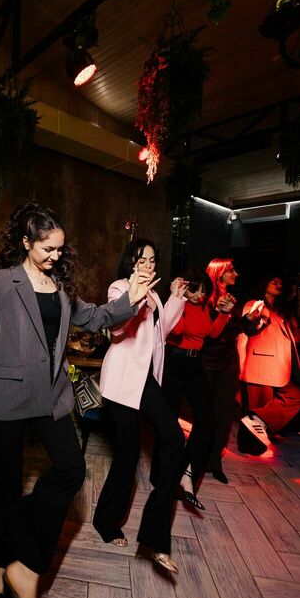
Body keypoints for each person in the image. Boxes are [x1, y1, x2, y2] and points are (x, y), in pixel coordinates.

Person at [0, 202, 157, 598]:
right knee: (6, 485)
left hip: (50, 396)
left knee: (71, 469)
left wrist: (130, 298)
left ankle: (20, 552)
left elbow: (95, 318)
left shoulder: (61, 286)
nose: (56, 255)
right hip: (7, 396)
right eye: (48, 248)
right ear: (26, 243)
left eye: (60, 249)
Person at [93, 238, 187, 574]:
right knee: (128, 454)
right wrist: (135, 298)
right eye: (140, 260)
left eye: (151, 260)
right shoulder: (119, 288)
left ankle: (154, 534)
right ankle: (106, 521)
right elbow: (117, 331)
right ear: (130, 263)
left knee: (174, 439)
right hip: (121, 383)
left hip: (145, 381)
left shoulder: (156, 294)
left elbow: (162, 333)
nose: (147, 265)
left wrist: (175, 297)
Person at [161, 266, 234, 509]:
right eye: (196, 290)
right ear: (186, 287)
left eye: (204, 291)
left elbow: (210, 333)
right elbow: (177, 330)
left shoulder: (203, 306)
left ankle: (187, 471)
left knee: (206, 420)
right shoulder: (177, 304)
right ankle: (164, 477)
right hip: (173, 362)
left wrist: (222, 313)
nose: (200, 295)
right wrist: (178, 299)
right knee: (169, 422)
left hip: (194, 364)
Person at [238, 275, 300, 453]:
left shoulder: (283, 311)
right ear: (264, 284)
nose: (278, 284)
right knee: (255, 411)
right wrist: (254, 319)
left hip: (281, 368)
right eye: (274, 281)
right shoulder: (255, 304)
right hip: (260, 365)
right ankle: (249, 448)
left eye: (281, 282)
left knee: (292, 399)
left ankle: (254, 438)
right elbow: (248, 327)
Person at [201, 258, 242, 484]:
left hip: (228, 362)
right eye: (231, 270)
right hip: (207, 361)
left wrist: (248, 320)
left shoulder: (232, 298)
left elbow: (235, 329)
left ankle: (215, 460)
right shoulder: (204, 297)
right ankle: (199, 457)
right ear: (219, 273)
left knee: (224, 413)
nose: (236, 274)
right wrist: (219, 312)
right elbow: (207, 333)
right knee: (205, 411)